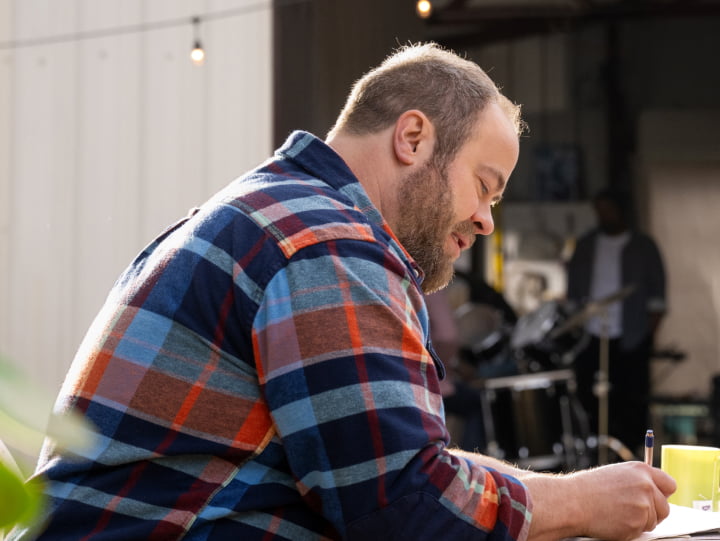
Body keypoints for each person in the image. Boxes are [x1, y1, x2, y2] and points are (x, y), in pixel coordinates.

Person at [10, 43, 674, 541]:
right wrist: (583, 504)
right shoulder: (328, 243)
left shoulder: (279, 212)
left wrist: (559, 488)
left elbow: (393, 459)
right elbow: (400, 506)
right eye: (485, 184)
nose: (486, 219)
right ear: (414, 139)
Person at [566, 188, 667, 453]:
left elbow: (657, 297)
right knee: (587, 394)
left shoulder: (643, 246)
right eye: (598, 210)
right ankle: (591, 450)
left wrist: (647, 336)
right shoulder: (586, 244)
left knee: (632, 397)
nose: (603, 215)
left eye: (607, 209)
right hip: (591, 333)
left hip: (631, 334)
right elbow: (573, 292)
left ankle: (631, 452)